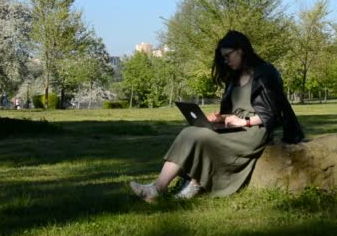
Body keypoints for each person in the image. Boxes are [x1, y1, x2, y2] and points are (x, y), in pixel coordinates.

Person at [129, 30, 305, 202]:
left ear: (241, 50)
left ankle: (162, 189)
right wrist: (222, 118)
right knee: (189, 132)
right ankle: (162, 186)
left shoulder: (265, 73)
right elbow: (236, 109)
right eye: (223, 57)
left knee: (199, 136)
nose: (225, 60)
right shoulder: (234, 76)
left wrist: (243, 121)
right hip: (236, 126)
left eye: (228, 55)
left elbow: (272, 114)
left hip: (254, 131)